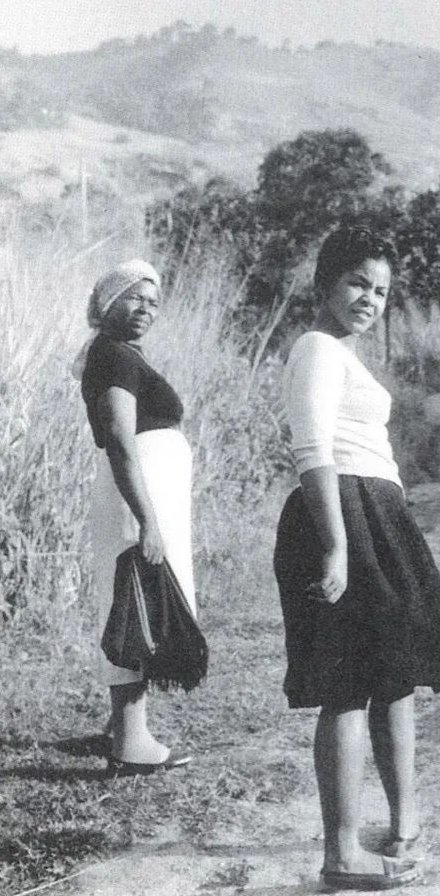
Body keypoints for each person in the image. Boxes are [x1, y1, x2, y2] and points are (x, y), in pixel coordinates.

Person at [273, 226, 440, 891]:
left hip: (377, 515)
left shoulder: (345, 355)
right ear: (325, 281)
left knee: (395, 678)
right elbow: (311, 451)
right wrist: (334, 545)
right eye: (357, 281)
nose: (369, 297)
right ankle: (340, 852)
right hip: (340, 514)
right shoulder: (315, 348)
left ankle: (403, 824)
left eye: (381, 289)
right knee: (348, 684)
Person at [74, 259, 195, 773]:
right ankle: (131, 744)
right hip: (138, 496)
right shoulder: (116, 357)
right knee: (134, 608)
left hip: (144, 493)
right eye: (135, 297)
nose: (146, 308)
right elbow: (122, 441)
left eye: (154, 302)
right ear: (108, 301)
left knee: (134, 602)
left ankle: (119, 729)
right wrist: (147, 518)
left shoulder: (116, 353)